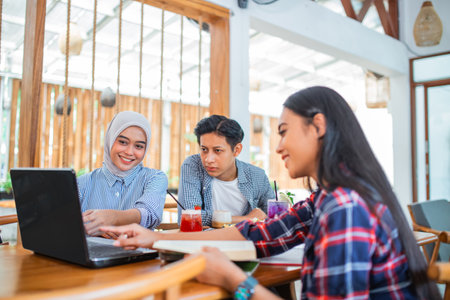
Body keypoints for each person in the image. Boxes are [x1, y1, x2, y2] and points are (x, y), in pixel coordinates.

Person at [101, 87, 439, 299]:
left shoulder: (345, 207)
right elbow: (258, 232)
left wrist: (235, 281)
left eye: (283, 132)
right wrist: (152, 239)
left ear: (318, 126)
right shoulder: (330, 198)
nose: (278, 146)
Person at [77, 111, 168, 237]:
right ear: (110, 139)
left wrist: (112, 218)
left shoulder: (154, 178)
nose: (129, 152)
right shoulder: (83, 183)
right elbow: (65, 223)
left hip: (138, 255)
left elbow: (150, 213)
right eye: (123, 142)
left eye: (139, 146)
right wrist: (88, 228)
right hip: (89, 255)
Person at [178, 114, 274, 226]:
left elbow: (275, 217)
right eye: (204, 149)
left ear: (236, 150)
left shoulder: (257, 176)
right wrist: (246, 219)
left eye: (217, 150)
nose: (208, 159)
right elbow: (190, 217)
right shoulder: (193, 165)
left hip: (244, 241)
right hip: (204, 241)